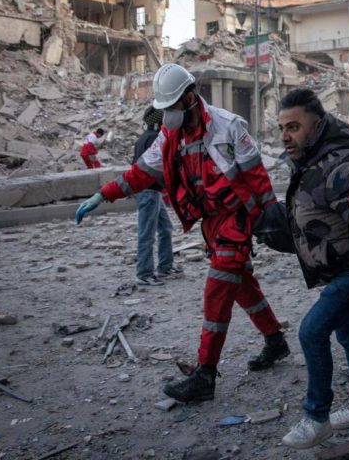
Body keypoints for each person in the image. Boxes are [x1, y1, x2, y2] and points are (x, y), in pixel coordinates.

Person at [75, 63, 289, 402]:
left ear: (189, 98)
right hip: (211, 223)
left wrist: (270, 218)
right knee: (241, 285)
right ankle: (275, 340)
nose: (167, 114)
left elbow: (257, 177)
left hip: (236, 219)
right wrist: (103, 195)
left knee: (217, 290)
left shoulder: (229, 126)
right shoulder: (169, 136)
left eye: (171, 106)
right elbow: (141, 173)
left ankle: (205, 375)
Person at [277, 88, 349, 449]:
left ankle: (317, 418)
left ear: (317, 125)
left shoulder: (342, 167)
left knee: (311, 332)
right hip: (342, 267)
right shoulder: (312, 160)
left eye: (294, 127)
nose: (285, 136)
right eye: (282, 128)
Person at [133, 106, 181, 286]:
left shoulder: (142, 138)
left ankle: (165, 266)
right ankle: (144, 273)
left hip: (151, 192)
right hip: (149, 192)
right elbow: (162, 166)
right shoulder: (154, 139)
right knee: (147, 234)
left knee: (165, 228)